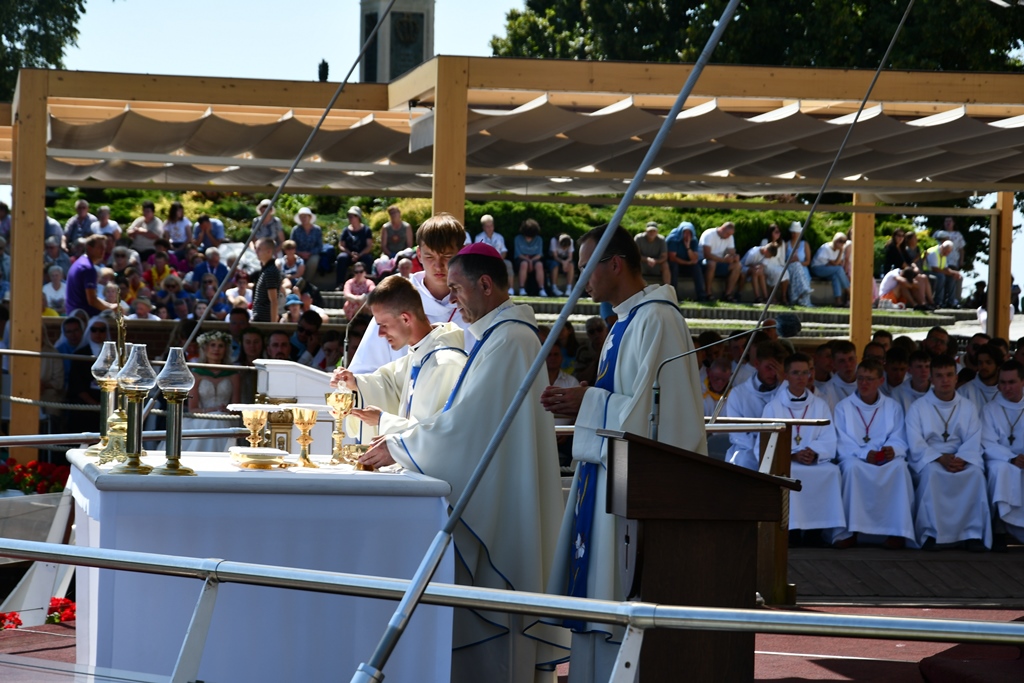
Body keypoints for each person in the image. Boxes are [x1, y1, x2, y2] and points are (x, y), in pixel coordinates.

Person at [358, 242, 566, 683]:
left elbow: (466, 426)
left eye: (455, 289)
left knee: (501, 631)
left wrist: (399, 446)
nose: (451, 299)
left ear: (485, 285)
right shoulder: (497, 336)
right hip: (503, 488)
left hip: (506, 501)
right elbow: (465, 420)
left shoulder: (510, 339)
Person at [539, 226, 706, 679]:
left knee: (615, 594)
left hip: (632, 488)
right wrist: (588, 400)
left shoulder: (657, 320)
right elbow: (632, 401)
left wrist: (588, 401)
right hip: (607, 477)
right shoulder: (624, 321)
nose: (579, 279)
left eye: (586, 268)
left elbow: (658, 421)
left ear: (614, 264)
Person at [331, 274, 466, 436]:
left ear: (405, 319)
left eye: (384, 325)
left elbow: (434, 434)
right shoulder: (418, 356)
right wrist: (355, 383)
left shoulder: (445, 364)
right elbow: (387, 385)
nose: (380, 334)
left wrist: (382, 420)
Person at [347, 214, 471, 374]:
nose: (438, 265)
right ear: (419, 255)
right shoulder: (397, 300)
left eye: (447, 256)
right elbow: (365, 370)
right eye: (429, 256)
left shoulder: (475, 305)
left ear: (461, 253)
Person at [905, 355, 991, 551]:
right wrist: (939, 458)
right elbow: (915, 442)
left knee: (975, 475)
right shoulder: (918, 408)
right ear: (931, 379)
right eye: (939, 375)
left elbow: (974, 438)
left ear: (956, 377)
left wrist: (962, 458)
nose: (945, 380)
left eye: (949, 375)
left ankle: (972, 534)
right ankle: (931, 534)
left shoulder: (968, 407)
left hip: (961, 458)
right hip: (931, 459)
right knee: (932, 474)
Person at [761, 353, 844, 546]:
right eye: (796, 373)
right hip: (787, 460)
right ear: (786, 376)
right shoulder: (773, 407)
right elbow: (766, 441)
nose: (801, 377)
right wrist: (792, 454)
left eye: (805, 372)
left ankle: (816, 532)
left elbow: (829, 436)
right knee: (789, 474)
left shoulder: (820, 405)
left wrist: (813, 452)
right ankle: (792, 532)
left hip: (812, 460)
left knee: (832, 472)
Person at [833, 359, 916, 549]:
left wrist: (891, 450)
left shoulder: (892, 407)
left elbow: (899, 436)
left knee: (900, 468)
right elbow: (841, 441)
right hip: (855, 457)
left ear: (880, 381)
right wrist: (864, 454)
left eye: (869, 379)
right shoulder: (843, 407)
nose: (864, 383)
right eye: (860, 378)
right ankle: (851, 532)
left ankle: (896, 532)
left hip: (885, 459)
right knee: (852, 469)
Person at [982, 360, 1024, 551]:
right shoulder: (990, 409)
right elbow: (987, 441)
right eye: (1003, 383)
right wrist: (1011, 458)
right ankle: (999, 529)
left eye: (1012, 382)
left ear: (1022, 381)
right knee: (1000, 470)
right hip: (1001, 459)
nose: (1006, 388)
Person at [725, 339, 786, 469]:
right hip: (747, 451)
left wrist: (784, 386)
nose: (773, 374)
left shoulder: (786, 392)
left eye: (777, 369)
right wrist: (761, 448)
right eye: (769, 368)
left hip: (781, 450)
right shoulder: (738, 394)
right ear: (757, 364)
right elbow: (737, 434)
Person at [183, 331, 240, 453]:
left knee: (220, 420)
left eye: (221, 346)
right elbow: (192, 409)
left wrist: (225, 410)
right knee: (216, 421)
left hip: (227, 418)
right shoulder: (196, 374)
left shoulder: (233, 375)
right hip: (201, 419)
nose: (216, 349)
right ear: (205, 348)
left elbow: (236, 408)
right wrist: (214, 410)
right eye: (212, 345)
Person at [65, 234, 117, 316]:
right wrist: (111, 307)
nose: (103, 250)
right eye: (100, 247)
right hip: (83, 317)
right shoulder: (88, 268)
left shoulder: (80, 263)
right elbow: (92, 300)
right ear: (89, 248)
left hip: (74, 314)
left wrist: (110, 306)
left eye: (104, 248)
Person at [698, 220, 742, 302]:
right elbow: (707, 255)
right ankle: (708, 293)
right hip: (703, 261)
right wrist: (723, 260)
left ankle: (728, 294)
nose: (729, 236)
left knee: (737, 265)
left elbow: (731, 251)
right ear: (722, 229)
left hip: (720, 262)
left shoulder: (730, 237)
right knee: (712, 263)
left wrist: (734, 257)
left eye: (731, 234)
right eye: (727, 234)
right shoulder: (709, 234)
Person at [665, 221, 708, 301]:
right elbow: (672, 258)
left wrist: (688, 247)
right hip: (675, 264)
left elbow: (694, 259)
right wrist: (688, 263)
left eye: (689, 232)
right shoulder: (673, 239)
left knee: (696, 267)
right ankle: (674, 295)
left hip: (687, 265)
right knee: (674, 266)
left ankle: (702, 296)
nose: (687, 235)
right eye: (685, 232)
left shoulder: (693, 241)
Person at [335, 206, 374, 287]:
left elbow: (369, 246)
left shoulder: (366, 230)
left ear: (358, 217)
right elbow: (341, 245)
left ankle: (367, 283)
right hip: (349, 255)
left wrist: (359, 255)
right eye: (349, 216)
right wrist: (350, 253)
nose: (350, 218)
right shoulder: (346, 230)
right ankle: (340, 283)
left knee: (368, 258)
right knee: (341, 258)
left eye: (352, 216)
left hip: (362, 254)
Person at [474, 214, 514, 291]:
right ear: (483, 227)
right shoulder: (478, 237)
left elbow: (504, 251)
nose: (490, 228)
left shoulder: (499, 237)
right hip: (484, 261)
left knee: (508, 264)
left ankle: (511, 288)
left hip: (499, 259)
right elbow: (477, 252)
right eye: (487, 226)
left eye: (491, 226)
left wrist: (499, 260)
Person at [958, 343, 1003, 411]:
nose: (983, 366)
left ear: (998, 365)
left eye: (988, 362)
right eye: (980, 363)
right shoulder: (965, 391)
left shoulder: (1006, 390)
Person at [811, 232, 850, 307]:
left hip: (829, 270)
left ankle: (838, 300)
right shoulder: (825, 248)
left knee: (835, 276)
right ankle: (849, 291)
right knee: (838, 269)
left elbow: (839, 263)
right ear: (835, 240)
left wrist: (840, 253)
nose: (842, 244)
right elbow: (836, 264)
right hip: (817, 268)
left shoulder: (840, 250)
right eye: (840, 241)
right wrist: (835, 262)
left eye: (844, 242)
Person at [817, 339, 858, 412]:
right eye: (842, 361)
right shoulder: (824, 392)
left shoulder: (867, 385)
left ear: (856, 359)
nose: (848, 365)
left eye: (851, 359)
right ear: (834, 363)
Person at [376, 205, 413, 276]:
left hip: (403, 254)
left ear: (399, 213)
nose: (393, 215)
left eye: (395, 212)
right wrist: (390, 254)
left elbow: (409, 245)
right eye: (391, 213)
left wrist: (400, 255)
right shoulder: (386, 227)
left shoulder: (406, 227)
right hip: (389, 254)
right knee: (383, 261)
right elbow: (383, 246)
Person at [514, 218, 546, 296]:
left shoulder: (539, 239)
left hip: (535, 259)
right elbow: (518, 254)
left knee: (539, 265)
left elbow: (539, 254)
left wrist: (531, 261)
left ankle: (541, 289)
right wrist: (528, 260)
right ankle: (522, 288)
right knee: (524, 264)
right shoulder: (518, 239)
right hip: (522, 259)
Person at [251, 238, 281, 323]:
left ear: (269, 251)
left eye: (259, 249)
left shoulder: (270, 272)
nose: (256, 251)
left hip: (264, 320)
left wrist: (272, 325)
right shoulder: (266, 270)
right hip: (259, 318)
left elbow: (273, 301)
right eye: (256, 249)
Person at [925, 240, 962, 309]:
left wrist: (954, 273)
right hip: (927, 272)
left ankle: (951, 302)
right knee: (941, 277)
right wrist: (949, 273)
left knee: (952, 277)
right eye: (946, 251)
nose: (947, 253)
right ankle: (938, 301)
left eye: (949, 252)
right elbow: (935, 269)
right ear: (942, 247)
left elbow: (945, 268)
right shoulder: (934, 252)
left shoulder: (943, 254)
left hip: (938, 272)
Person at [785, 222, 814, 307]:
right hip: (790, 268)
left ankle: (796, 298)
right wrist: (791, 260)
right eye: (792, 232)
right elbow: (783, 261)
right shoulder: (787, 244)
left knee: (798, 266)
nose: (794, 235)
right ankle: (804, 291)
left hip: (803, 267)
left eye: (796, 233)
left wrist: (798, 262)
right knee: (796, 265)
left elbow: (808, 262)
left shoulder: (805, 244)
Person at [759, 223, 790, 303]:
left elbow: (782, 258)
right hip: (767, 264)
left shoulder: (782, 243)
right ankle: (773, 296)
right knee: (777, 273)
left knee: (785, 272)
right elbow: (763, 256)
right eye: (776, 232)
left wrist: (783, 267)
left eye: (779, 232)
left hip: (777, 264)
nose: (778, 234)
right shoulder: (765, 241)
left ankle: (783, 296)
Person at [291, 207, 323, 277]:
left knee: (314, 260)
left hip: (312, 254)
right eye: (301, 217)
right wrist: (300, 253)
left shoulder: (317, 229)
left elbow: (319, 246)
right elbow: (291, 245)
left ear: (310, 217)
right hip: (298, 254)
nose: (303, 219)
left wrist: (309, 253)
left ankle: (307, 280)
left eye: (305, 216)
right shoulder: (295, 230)